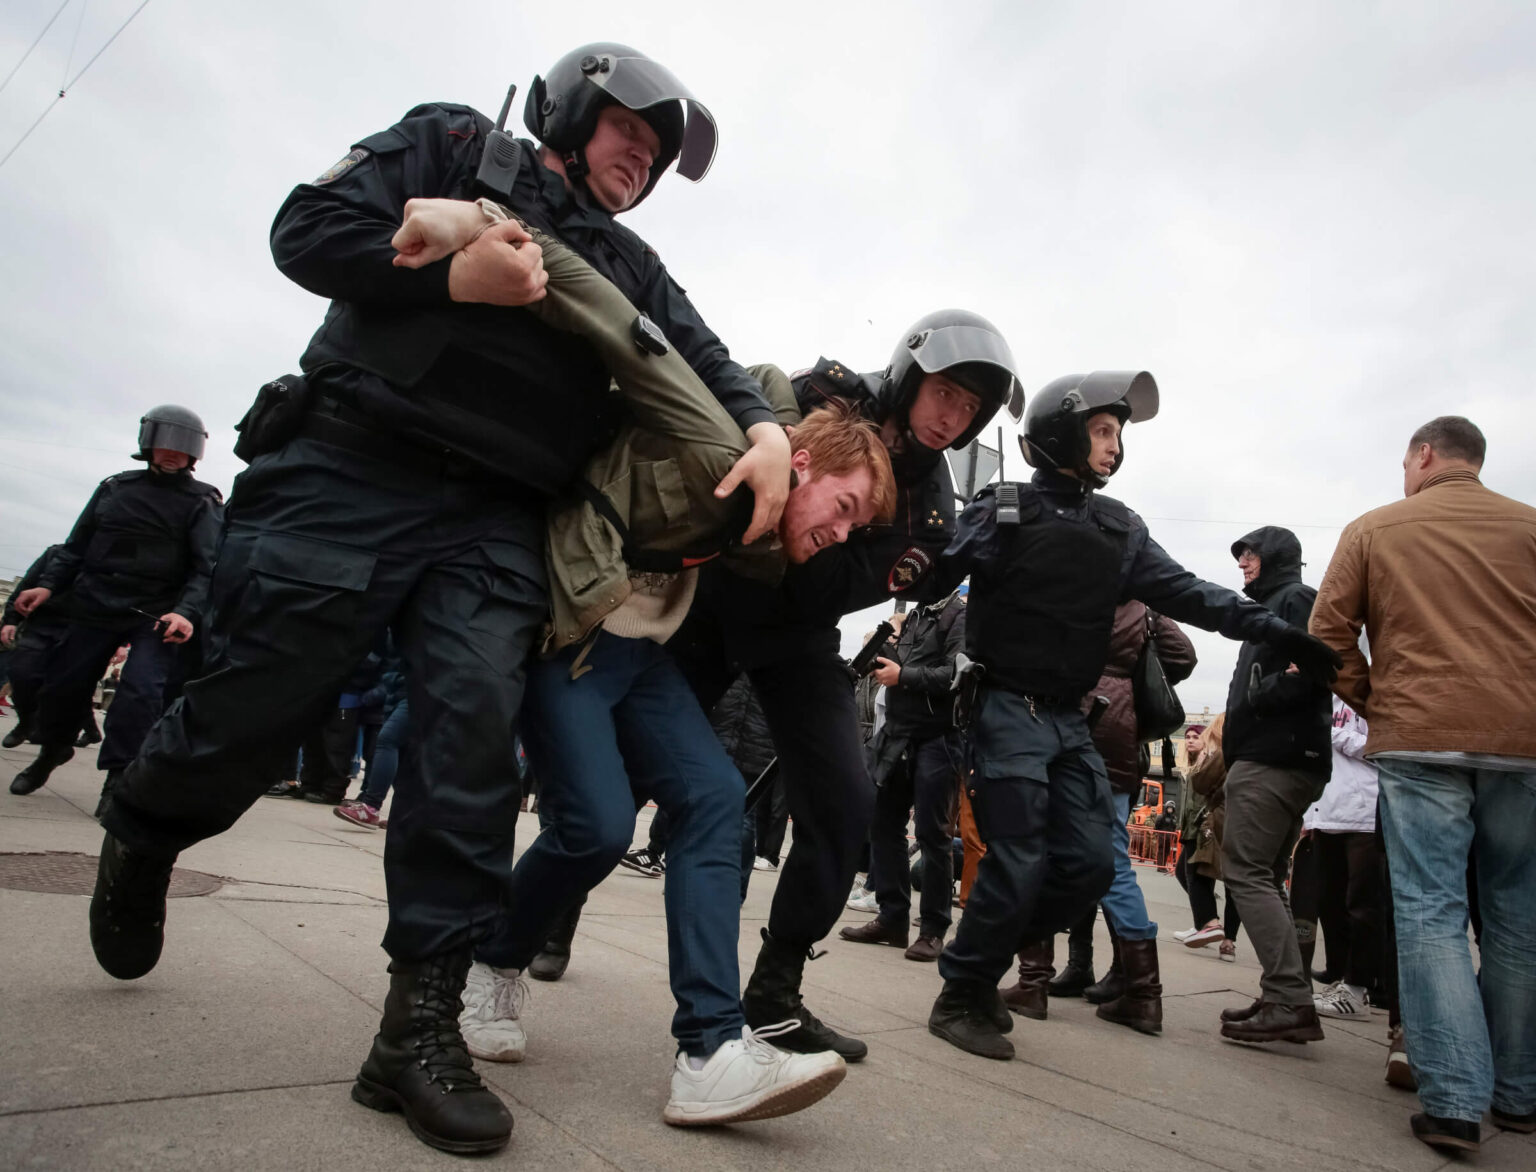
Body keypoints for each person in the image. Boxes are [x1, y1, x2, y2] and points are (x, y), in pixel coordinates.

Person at [86, 43, 792, 1157]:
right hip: (353, 465)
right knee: (259, 705)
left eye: (656, 154)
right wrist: (445, 274)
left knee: (466, 749)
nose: (638, 158)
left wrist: (762, 432)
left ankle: (416, 1027)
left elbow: (702, 356)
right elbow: (302, 231)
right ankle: (149, 817)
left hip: (500, 518)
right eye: (626, 131)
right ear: (570, 109)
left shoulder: (630, 261)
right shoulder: (453, 145)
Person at [464, 403, 894, 1124]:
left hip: (644, 654)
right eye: (844, 508)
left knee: (718, 803)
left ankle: (711, 1051)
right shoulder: (727, 452)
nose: (843, 534)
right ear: (803, 463)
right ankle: (493, 961)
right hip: (575, 637)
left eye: (857, 526)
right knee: (597, 826)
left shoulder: (775, 520)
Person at [920, 371, 1341, 1061]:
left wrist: (1276, 629)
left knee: (1087, 865)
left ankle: (978, 960)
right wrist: (914, 542)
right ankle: (963, 991)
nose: (1115, 447)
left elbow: (1194, 594)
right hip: (1004, 712)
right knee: (1019, 859)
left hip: (1070, 721)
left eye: (1119, 435)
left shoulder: (1119, 529)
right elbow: (932, 571)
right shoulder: (1005, 509)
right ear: (1061, 430)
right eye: (1104, 431)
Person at [667, 311, 1024, 1062]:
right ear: (911, 373)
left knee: (844, 806)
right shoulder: (818, 394)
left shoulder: (933, 504)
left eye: (970, 409)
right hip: (706, 606)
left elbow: (839, 583)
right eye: (946, 393)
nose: (951, 416)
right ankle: (547, 921)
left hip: (799, 636)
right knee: (635, 771)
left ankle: (774, 992)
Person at [1309, 415, 1536, 1155]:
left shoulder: (1376, 528)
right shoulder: (1528, 526)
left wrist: (1380, 700)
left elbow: (1326, 636)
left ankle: (1455, 1103)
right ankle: (1519, 1093)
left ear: (1424, 456)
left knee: (1432, 913)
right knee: (1516, 918)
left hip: (1421, 739)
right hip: (1525, 744)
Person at [8, 408, 221, 815]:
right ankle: (52, 750)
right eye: (165, 444)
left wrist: (185, 612)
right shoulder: (114, 489)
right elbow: (75, 547)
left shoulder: (202, 501)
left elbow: (206, 567)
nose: (172, 453)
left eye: (182, 446)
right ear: (149, 445)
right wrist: (47, 585)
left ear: (195, 452)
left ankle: (118, 778)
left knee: (139, 692)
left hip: (155, 614)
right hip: (96, 603)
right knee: (59, 688)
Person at [998, 601, 1196, 1033]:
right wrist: (1131, 670)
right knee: (1115, 862)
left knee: (1039, 853)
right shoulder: (1143, 607)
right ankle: (1143, 993)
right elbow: (1183, 655)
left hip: (1066, 721)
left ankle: (1033, 982)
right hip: (1119, 731)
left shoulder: (1074, 586)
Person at [1216, 527, 1333, 1045]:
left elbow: (1317, 665)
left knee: (1244, 872)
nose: (1243, 563)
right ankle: (1290, 995)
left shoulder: (1295, 598)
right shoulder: (1277, 603)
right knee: (1263, 875)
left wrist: (1260, 695)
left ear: (1275, 558)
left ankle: (1288, 996)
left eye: (1251, 554)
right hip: (1279, 755)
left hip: (1276, 756)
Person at [840, 587, 968, 961]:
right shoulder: (916, 615)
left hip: (938, 737)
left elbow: (955, 675)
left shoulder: (958, 613)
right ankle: (892, 917)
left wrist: (903, 675)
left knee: (933, 835)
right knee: (883, 825)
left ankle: (932, 930)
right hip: (897, 734)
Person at [1303, 696, 1383, 1020]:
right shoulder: (1324, 698)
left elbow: (1378, 748)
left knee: (1363, 905)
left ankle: (1359, 987)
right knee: (1328, 902)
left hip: (1365, 812)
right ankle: (1339, 979)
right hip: (1327, 813)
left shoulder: (1368, 694)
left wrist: (1334, 734)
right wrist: (1309, 817)